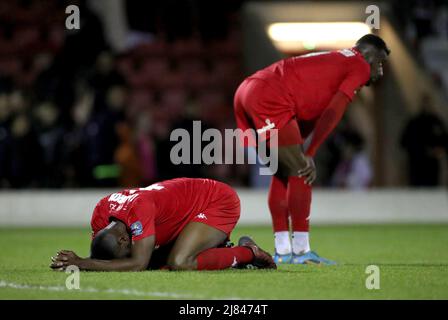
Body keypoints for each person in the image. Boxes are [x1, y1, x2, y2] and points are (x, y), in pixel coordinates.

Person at [233, 34, 390, 264]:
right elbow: (334, 111)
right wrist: (310, 152)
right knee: (301, 170)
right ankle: (301, 251)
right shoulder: (359, 64)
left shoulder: (336, 63)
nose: (380, 71)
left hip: (248, 90)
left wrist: (303, 151)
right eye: (379, 63)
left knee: (282, 170)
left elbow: (314, 111)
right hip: (269, 94)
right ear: (368, 55)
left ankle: (284, 250)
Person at [50, 177, 276, 271]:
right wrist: (88, 261)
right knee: (157, 262)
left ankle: (249, 253)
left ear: (122, 239)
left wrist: (82, 263)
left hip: (216, 201)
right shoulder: (101, 211)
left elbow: (137, 263)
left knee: (180, 262)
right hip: (187, 208)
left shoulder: (139, 210)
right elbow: (104, 255)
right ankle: (218, 248)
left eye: (124, 250)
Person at [401, 95, 447, 186]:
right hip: (417, 166)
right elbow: (404, 142)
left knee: (432, 191)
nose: (426, 106)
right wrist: (420, 151)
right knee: (417, 192)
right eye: (424, 103)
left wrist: (439, 151)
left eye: (428, 103)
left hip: (432, 167)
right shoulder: (414, 123)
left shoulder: (436, 122)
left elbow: (444, 141)